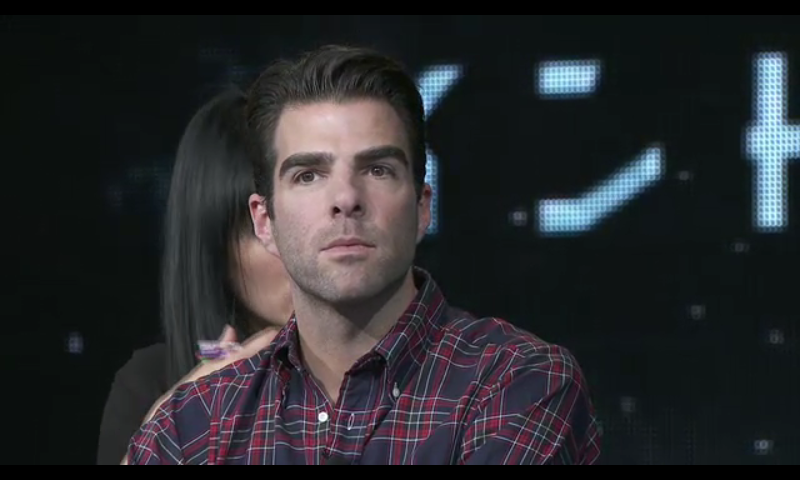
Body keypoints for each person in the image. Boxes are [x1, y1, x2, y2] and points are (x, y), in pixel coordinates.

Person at [127, 45, 602, 465]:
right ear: (264, 220)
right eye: (308, 175)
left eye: (376, 169)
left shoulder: (519, 384)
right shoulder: (193, 424)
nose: (346, 199)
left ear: (422, 208)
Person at [96, 88, 293, 465]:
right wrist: (175, 424)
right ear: (213, 246)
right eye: (259, 227)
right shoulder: (149, 384)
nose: (297, 249)